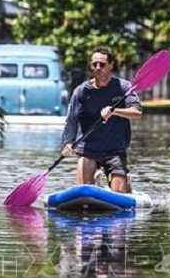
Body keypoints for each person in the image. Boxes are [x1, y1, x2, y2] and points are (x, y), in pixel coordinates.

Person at [61, 46, 143, 193]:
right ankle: (95, 181)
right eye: (94, 64)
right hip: (88, 150)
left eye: (102, 64)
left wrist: (114, 110)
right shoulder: (81, 91)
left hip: (115, 150)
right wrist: (67, 143)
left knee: (120, 194)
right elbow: (71, 120)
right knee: (83, 190)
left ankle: (125, 182)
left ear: (111, 65)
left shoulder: (123, 87)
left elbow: (137, 112)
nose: (98, 68)